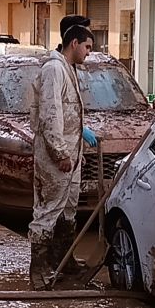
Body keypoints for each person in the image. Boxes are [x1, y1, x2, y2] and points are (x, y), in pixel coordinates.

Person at [28, 19, 93, 289]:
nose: (89, 52)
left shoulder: (69, 69)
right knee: (48, 210)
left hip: (71, 153)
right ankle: (39, 269)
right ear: (74, 43)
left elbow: (67, 113)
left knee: (68, 209)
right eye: (87, 46)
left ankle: (63, 262)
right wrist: (60, 153)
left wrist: (79, 141)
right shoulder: (55, 69)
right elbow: (50, 114)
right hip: (56, 157)